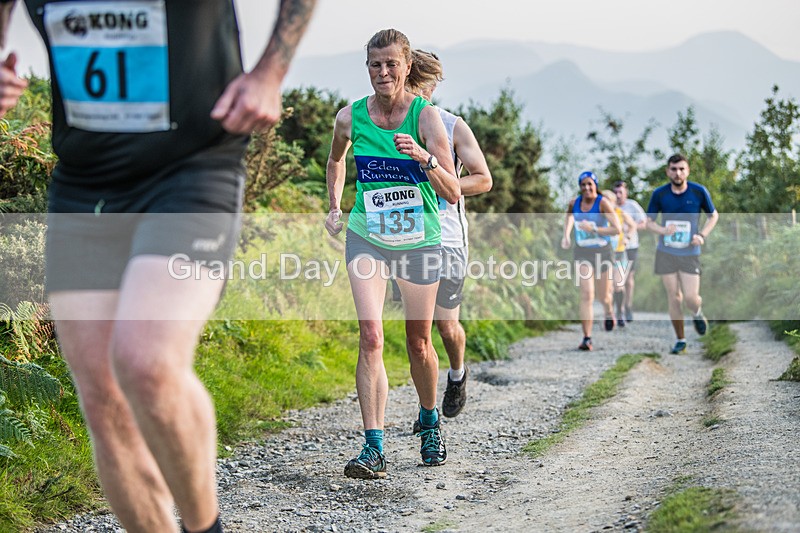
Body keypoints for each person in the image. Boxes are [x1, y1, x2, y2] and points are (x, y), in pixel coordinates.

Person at [0, 2, 316, 532]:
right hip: (85, 179)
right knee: (102, 399)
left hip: (192, 163)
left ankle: (204, 527)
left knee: (145, 360)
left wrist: (270, 72)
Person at [324, 29, 461, 479]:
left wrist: (426, 157)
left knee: (419, 342)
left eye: (391, 65)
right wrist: (334, 206)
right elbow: (336, 159)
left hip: (419, 239)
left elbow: (454, 193)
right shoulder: (350, 117)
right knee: (371, 336)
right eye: (375, 65)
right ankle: (374, 445)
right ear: (367, 68)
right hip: (367, 234)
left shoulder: (426, 118)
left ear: (406, 67)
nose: (383, 72)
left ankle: (428, 420)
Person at [404, 49, 492, 422]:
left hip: (447, 237)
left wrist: (441, 178)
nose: (420, 93)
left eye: (425, 86)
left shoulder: (451, 124)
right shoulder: (385, 122)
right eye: (415, 85)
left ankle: (457, 374)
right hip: (406, 237)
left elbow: (484, 179)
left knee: (445, 324)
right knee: (418, 334)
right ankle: (427, 407)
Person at [646, 154, 719, 354]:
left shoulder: (698, 192)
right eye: (673, 169)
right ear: (667, 171)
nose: (677, 173)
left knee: (690, 298)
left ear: (687, 170)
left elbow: (713, 215)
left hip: (689, 252)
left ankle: (697, 312)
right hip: (665, 252)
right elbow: (648, 222)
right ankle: (680, 339)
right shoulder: (660, 194)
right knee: (674, 297)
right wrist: (662, 231)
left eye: (681, 169)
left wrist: (702, 235)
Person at [561, 171, 622, 351]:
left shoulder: (602, 203)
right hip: (582, 252)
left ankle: (609, 311)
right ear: (580, 187)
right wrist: (566, 235)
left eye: (590, 184)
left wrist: (594, 229)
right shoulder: (574, 203)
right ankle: (587, 338)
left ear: (596, 185)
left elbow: (616, 229)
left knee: (604, 296)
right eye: (583, 185)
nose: (587, 188)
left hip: (603, 252)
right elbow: (569, 217)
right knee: (587, 294)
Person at [612, 180, 648, 322]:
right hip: (615, 247)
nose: (618, 195)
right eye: (615, 192)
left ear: (625, 193)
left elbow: (643, 223)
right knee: (616, 280)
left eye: (620, 192)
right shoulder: (609, 207)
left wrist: (629, 228)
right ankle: (618, 309)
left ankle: (628, 306)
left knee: (628, 279)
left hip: (631, 246)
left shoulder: (632, 206)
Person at [601, 189, 636, 328]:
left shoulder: (621, 214)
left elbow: (633, 225)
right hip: (605, 255)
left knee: (618, 285)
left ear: (614, 202)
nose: (605, 203)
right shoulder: (600, 216)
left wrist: (628, 237)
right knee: (607, 288)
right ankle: (609, 315)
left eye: (608, 201)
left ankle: (620, 311)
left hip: (620, 253)